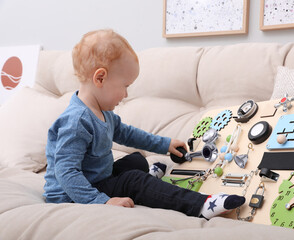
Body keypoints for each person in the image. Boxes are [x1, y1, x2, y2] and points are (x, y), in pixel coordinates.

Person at [43, 29, 245, 219]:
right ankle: (201, 205)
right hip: (73, 194)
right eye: (125, 86)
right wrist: (101, 201)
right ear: (100, 78)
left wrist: (164, 144)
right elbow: (66, 172)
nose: (126, 95)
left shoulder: (103, 111)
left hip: (95, 177)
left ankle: (150, 184)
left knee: (137, 160)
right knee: (133, 180)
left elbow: (127, 134)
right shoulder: (77, 121)